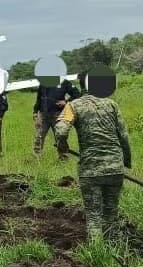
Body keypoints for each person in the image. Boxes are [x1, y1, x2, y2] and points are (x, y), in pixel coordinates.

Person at [55, 71, 131, 243]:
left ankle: (98, 254)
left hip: (90, 170)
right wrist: (125, 161)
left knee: (94, 215)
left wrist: (62, 145)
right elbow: (124, 136)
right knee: (111, 212)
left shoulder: (73, 106)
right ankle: (113, 249)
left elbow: (60, 130)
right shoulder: (112, 105)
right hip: (115, 169)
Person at [34, 77, 80, 159]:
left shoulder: (64, 82)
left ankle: (63, 156)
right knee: (39, 137)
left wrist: (66, 102)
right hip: (43, 115)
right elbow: (39, 98)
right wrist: (35, 112)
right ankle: (36, 157)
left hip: (58, 114)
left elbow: (77, 94)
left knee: (60, 136)